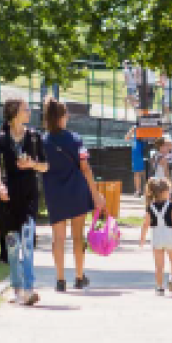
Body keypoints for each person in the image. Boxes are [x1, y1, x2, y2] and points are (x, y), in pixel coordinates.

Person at [40, 96, 106, 292]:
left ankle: (60, 280)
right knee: (78, 237)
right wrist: (96, 194)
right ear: (61, 117)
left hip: (54, 193)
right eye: (66, 113)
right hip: (76, 191)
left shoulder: (42, 141)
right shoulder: (76, 139)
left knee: (58, 238)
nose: (68, 116)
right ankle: (79, 276)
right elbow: (85, 168)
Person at [0, 98, 49, 306]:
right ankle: (17, 289)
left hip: (29, 195)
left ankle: (29, 288)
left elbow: (45, 166)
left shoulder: (34, 137)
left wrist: (32, 164)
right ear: (15, 113)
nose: (29, 112)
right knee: (13, 245)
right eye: (26, 109)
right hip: (8, 195)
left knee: (27, 239)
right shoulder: (1, 139)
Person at [139, 177, 172, 296]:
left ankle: (159, 287)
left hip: (156, 238)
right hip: (169, 237)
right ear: (164, 192)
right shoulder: (171, 206)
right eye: (168, 191)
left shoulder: (150, 207)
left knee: (159, 266)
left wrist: (142, 238)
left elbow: (145, 224)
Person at [125, 126, 148, 198]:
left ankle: (146, 191)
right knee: (136, 174)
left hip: (142, 156)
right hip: (135, 157)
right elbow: (126, 138)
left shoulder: (143, 137)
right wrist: (132, 129)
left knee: (144, 173)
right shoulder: (134, 136)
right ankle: (138, 191)